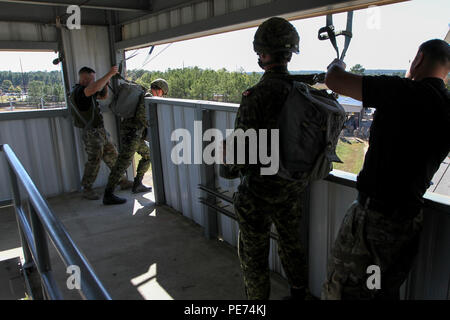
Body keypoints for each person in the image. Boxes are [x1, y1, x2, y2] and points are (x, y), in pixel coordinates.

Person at [322, 39, 450, 299]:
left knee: (345, 290)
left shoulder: (401, 92)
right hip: (407, 223)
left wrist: (337, 64)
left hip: (372, 223)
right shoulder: (446, 107)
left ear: (419, 59)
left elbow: (334, 80)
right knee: (382, 291)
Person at [222, 17, 312, 300]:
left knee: (254, 255)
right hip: (292, 187)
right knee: (292, 244)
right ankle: (298, 294)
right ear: (290, 54)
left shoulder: (256, 95)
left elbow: (240, 151)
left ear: (262, 54)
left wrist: (227, 165)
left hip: (259, 192)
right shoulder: (304, 92)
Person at [103, 78, 169, 205]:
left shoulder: (146, 96)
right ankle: (108, 193)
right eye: (163, 93)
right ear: (160, 90)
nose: (162, 95)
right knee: (123, 163)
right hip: (131, 134)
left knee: (147, 155)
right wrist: (153, 127)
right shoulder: (148, 97)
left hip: (135, 134)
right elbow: (142, 116)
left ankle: (137, 183)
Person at [71, 66, 133, 201]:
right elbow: (92, 89)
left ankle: (122, 181)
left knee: (113, 156)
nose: (94, 82)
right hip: (91, 133)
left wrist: (105, 84)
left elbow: (103, 96)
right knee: (94, 161)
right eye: (92, 79)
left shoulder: (87, 91)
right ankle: (87, 188)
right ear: (84, 79)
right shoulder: (79, 92)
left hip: (100, 131)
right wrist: (109, 74)